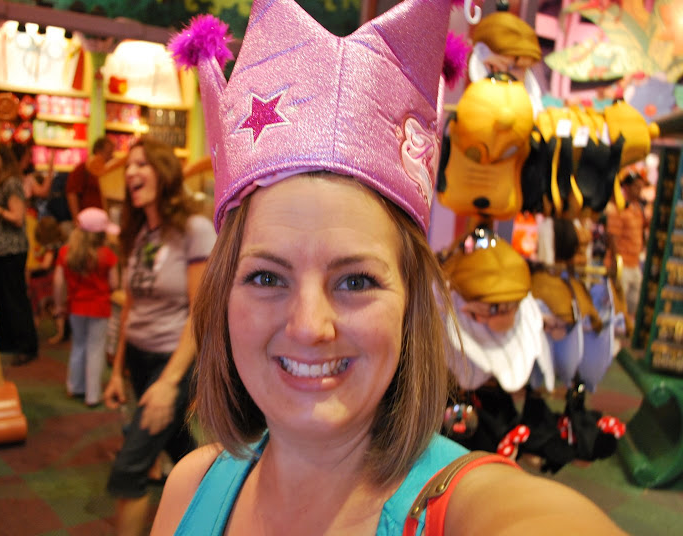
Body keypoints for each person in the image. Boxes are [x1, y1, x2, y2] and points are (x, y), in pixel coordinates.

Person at [150, 1, 627, 535]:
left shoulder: (465, 512)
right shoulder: (190, 486)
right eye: (266, 277)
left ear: (411, 302)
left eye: (355, 281)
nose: (308, 326)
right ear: (223, 295)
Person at [103, 136, 216, 536]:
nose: (130, 173)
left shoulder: (194, 229)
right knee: (180, 449)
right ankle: (221, 511)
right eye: (128, 166)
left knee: (129, 469)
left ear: (164, 172)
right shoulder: (140, 235)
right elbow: (130, 308)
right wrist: (117, 371)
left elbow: (200, 314)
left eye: (141, 164)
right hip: (139, 358)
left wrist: (169, 382)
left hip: (173, 362)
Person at [53, 207, 119, 407]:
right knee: (96, 349)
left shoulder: (66, 252)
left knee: (78, 346)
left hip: (76, 307)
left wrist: (59, 305)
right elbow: (114, 283)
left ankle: (75, 387)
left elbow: (58, 282)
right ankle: (92, 395)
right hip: (100, 308)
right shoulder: (107, 255)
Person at [0, 144, 39, 366]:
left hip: (12, 249)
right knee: (2, 298)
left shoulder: (11, 183)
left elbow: (18, 217)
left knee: (15, 298)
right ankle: (8, 341)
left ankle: (26, 345)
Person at [605, 169, 648, 322]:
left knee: (634, 304)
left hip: (634, 263)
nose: (639, 190)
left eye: (641, 187)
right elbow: (613, 237)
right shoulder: (619, 208)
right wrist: (616, 262)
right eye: (636, 186)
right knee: (618, 305)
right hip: (622, 264)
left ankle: (628, 329)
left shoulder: (638, 209)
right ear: (627, 188)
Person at [28, 215, 66, 343]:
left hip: (45, 280)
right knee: (56, 307)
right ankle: (61, 332)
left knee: (37, 308)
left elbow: (46, 264)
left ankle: (33, 333)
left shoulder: (50, 248)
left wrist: (31, 269)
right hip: (57, 279)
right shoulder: (60, 244)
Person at [65, 136, 119, 221]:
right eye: (108, 153)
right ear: (98, 152)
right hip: (88, 220)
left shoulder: (110, 171)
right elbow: (72, 193)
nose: (111, 156)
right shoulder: (83, 168)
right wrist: (76, 219)